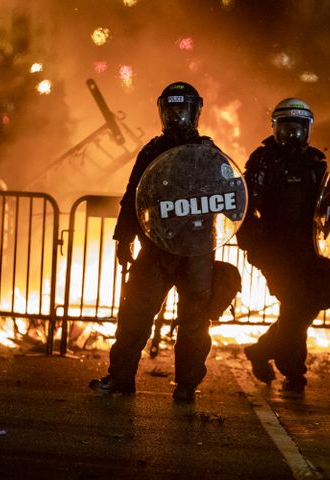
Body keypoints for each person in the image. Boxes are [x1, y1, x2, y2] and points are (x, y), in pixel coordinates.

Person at [89, 81, 221, 403]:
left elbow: (230, 198)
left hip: (195, 250)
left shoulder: (208, 153)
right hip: (157, 248)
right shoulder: (151, 151)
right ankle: (120, 379)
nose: (176, 117)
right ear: (162, 111)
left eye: (182, 110)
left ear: (195, 111)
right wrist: (124, 237)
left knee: (194, 323)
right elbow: (134, 196)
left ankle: (187, 386)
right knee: (134, 315)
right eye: (171, 110)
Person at [236, 98, 330, 397]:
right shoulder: (264, 160)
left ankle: (261, 350)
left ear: (307, 129)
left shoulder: (316, 162)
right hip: (275, 248)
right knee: (295, 303)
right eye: (287, 128)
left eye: (299, 129)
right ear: (276, 129)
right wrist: (255, 243)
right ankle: (294, 372)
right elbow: (245, 204)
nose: (293, 135)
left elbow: (328, 204)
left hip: (307, 249)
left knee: (315, 298)